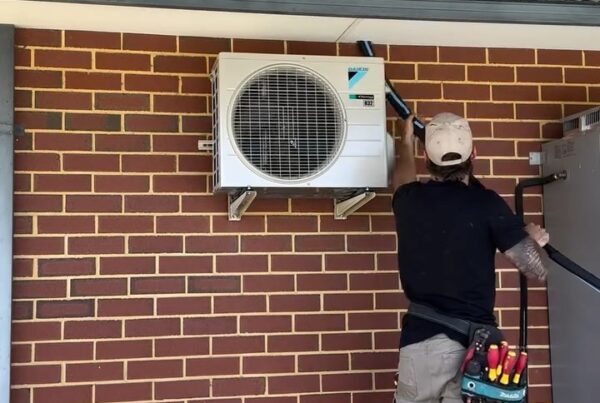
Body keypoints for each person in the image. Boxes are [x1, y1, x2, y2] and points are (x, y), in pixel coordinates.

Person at [391, 113, 549, 403]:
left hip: (418, 346)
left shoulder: (408, 200)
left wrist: (405, 141)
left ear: (425, 157)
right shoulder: (485, 203)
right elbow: (534, 268)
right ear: (474, 153)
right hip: (469, 351)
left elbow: (401, 178)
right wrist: (532, 239)